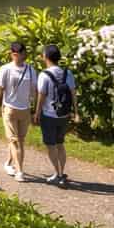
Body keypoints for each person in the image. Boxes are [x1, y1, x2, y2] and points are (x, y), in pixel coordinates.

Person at [0, 41, 36, 182]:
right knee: (15, 141)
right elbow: (0, 88)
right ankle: (15, 167)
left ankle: (17, 169)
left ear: (13, 54)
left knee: (17, 141)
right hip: (12, 109)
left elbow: (34, 91)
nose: (19, 56)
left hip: (22, 110)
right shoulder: (25, 70)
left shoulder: (25, 70)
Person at [37, 44, 78, 186]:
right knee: (60, 144)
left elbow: (41, 96)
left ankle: (58, 174)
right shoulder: (68, 73)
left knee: (51, 145)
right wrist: (76, 112)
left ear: (45, 57)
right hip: (64, 115)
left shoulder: (44, 75)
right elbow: (73, 94)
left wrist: (37, 113)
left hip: (49, 115)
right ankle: (61, 172)